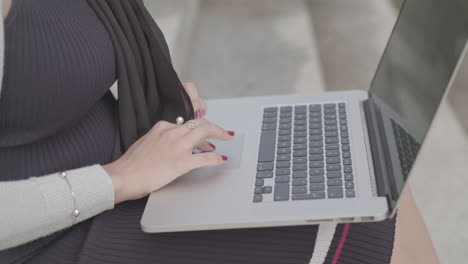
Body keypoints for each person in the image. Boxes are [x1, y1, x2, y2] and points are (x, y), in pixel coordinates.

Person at [0, 0, 438, 263]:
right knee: (368, 230)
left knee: (375, 162)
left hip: (122, 167)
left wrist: (157, 99)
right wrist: (119, 179)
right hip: (50, 235)